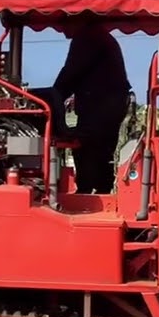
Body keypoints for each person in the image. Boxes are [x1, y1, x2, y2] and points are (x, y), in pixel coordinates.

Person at [53, 23, 131, 194]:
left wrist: (53, 96)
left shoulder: (87, 36)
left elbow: (72, 71)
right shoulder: (98, 35)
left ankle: (87, 194)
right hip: (108, 101)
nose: (62, 27)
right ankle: (101, 190)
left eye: (65, 21)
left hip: (102, 102)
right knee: (101, 149)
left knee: (85, 145)